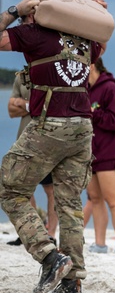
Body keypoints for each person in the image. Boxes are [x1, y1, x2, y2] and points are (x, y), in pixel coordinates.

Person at [0, 0, 108, 293]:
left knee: (9, 188)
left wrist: (13, 10)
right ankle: (72, 282)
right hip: (82, 129)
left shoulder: (34, 34)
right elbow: (104, 40)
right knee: (70, 205)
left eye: (25, 17)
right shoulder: (84, 40)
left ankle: (49, 257)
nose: (22, 20)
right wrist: (95, 12)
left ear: (35, 14)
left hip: (51, 126)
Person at [6, 68, 57, 242]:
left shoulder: (51, 71)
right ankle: (30, 232)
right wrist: (33, 106)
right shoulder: (21, 76)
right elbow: (11, 110)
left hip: (46, 143)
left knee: (50, 189)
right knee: (22, 189)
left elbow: (52, 107)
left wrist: (24, 104)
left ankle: (51, 235)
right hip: (23, 142)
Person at [84, 56, 115, 254]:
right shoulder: (84, 90)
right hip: (89, 154)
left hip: (108, 152)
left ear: (91, 65)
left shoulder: (110, 88)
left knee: (114, 201)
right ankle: (100, 243)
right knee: (94, 199)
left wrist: (93, 113)